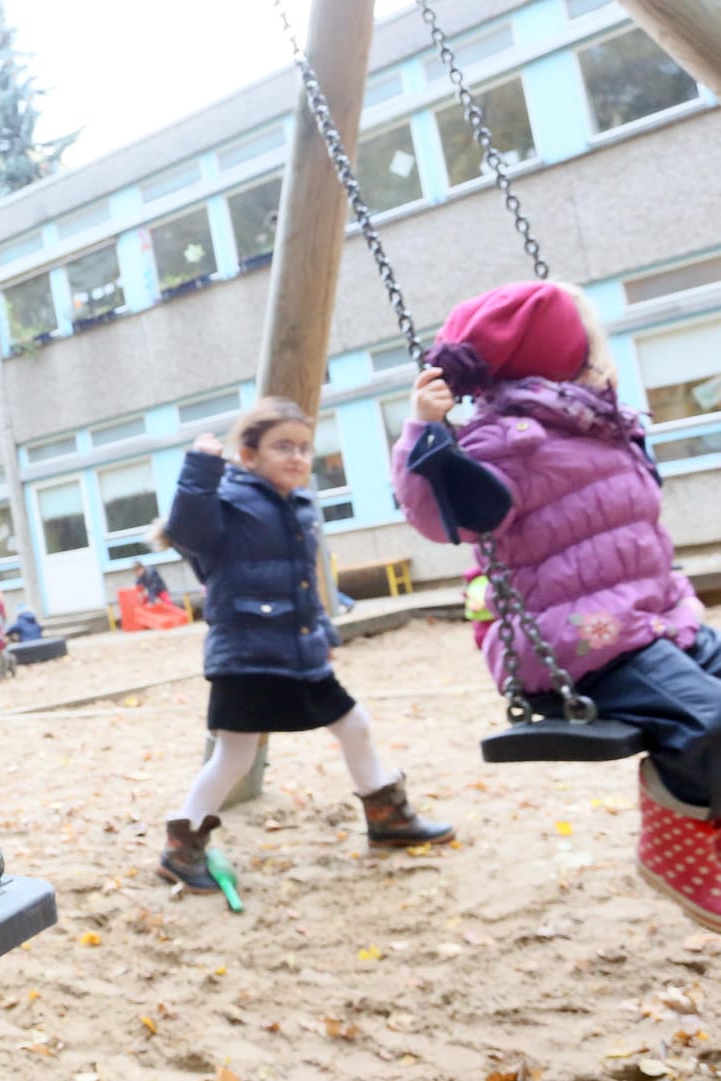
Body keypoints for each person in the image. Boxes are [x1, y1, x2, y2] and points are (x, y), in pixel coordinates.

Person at [390, 279, 721, 929]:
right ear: (562, 355)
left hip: (653, 620)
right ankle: (676, 842)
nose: (606, 354)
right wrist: (423, 431)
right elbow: (439, 513)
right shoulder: (510, 441)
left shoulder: (601, 426)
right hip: (579, 641)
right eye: (594, 341)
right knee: (710, 725)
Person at [157, 398, 455, 893]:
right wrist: (200, 467)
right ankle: (180, 846)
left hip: (297, 652)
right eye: (281, 447)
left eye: (303, 447)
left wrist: (323, 634)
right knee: (234, 756)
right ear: (249, 455)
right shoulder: (226, 501)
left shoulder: (299, 506)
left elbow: (305, 584)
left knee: (354, 726)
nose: (296, 457)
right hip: (247, 655)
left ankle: (388, 820)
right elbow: (185, 531)